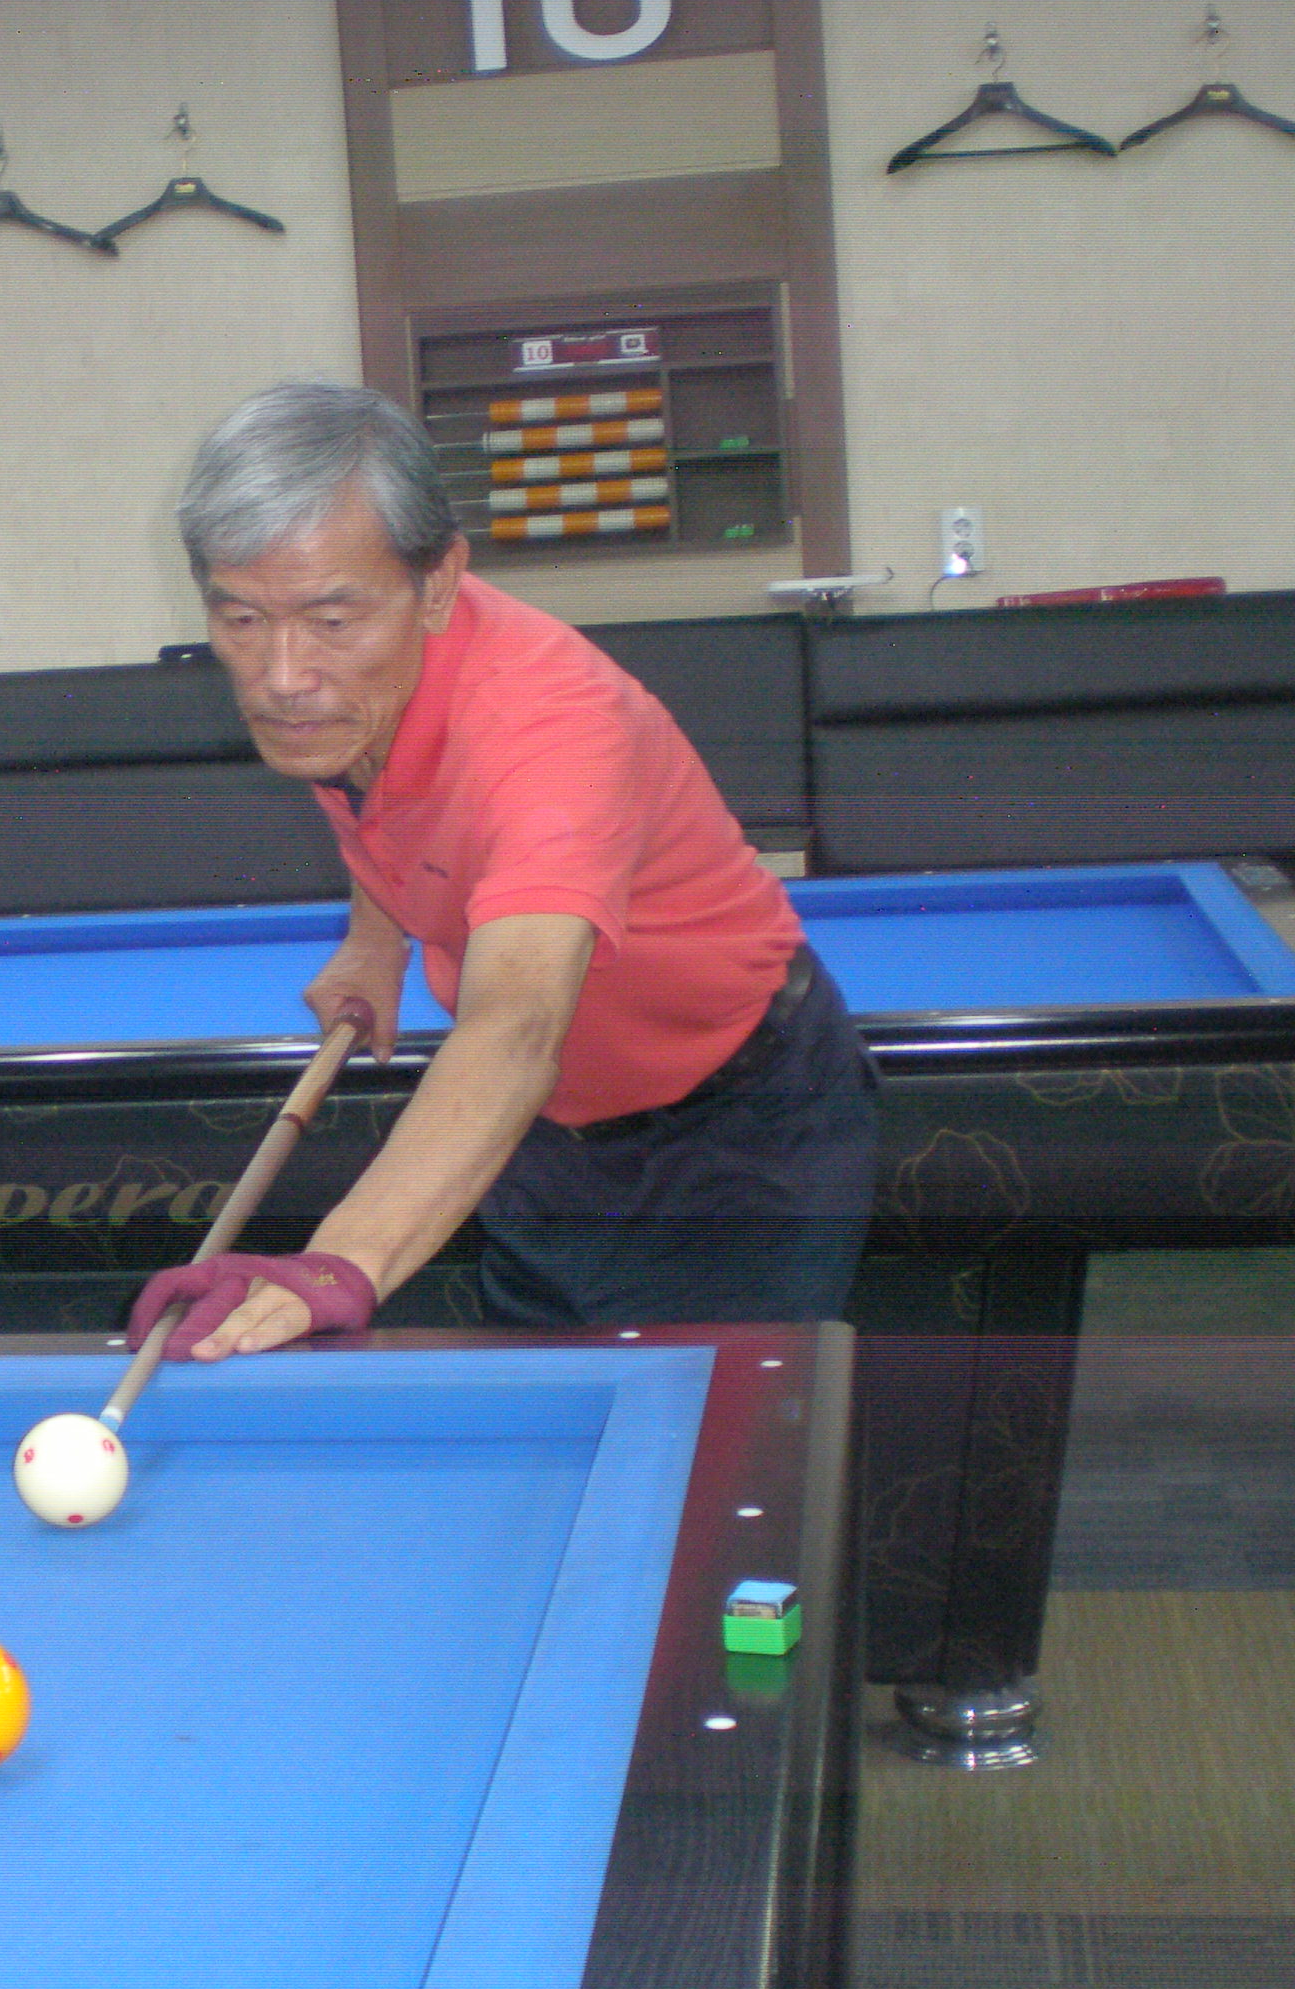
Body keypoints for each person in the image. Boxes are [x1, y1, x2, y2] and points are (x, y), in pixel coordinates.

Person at [125, 379, 878, 1362]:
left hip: (738, 1137)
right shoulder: (343, 698)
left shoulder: (550, 732)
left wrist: (339, 1262)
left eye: (331, 621)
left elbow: (516, 1024)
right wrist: (377, 940)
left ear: (437, 582)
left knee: (717, 1437)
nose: (281, 677)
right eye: (240, 620)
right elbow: (377, 797)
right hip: (546, 1132)